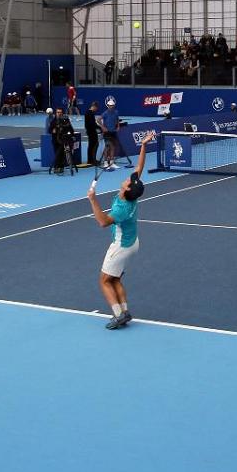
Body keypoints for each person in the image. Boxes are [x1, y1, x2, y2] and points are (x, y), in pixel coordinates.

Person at [87, 132, 154, 330]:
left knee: (104, 280)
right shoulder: (132, 195)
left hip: (122, 245)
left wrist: (92, 199)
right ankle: (124, 311)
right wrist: (143, 145)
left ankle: (118, 315)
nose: (127, 178)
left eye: (127, 181)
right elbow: (139, 168)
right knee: (115, 278)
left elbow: (102, 222)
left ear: (126, 189)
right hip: (133, 242)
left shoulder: (121, 209)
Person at [99, 98, 131, 170]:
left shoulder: (116, 112)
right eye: (110, 105)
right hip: (107, 133)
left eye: (112, 105)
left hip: (113, 132)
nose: (111, 106)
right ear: (108, 105)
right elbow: (98, 119)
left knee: (113, 147)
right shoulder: (105, 113)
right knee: (107, 147)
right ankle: (105, 163)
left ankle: (111, 163)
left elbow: (117, 119)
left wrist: (118, 126)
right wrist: (103, 127)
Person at [48, 107, 76, 175]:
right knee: (57, 154)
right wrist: (53, 130)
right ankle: (56, 168)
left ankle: (61, 167)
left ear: (62, 113)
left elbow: (71, 128)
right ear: (56, 113)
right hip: (56, 140)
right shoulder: (53, 121)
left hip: (64, 140)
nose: (59, 113)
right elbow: (49, 130)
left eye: (60, 112)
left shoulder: (66, 120)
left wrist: (72, 135)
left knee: (63, 154)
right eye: (58, 112)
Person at [83, 101, 100, 166]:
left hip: (91, 131)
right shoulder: (89, 113)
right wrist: (99, 127)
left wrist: (98, 127)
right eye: (96, 108)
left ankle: (91, 160)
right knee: (93, 145)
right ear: (94, 106)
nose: (97, 110)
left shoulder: (89, 112)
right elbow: (91, 124)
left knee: (92, 145)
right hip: (91, 132)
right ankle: (91, 160)